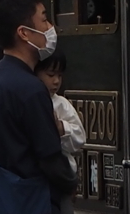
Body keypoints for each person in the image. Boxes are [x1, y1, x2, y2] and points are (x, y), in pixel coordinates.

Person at [0, 0, 76, 214]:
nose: (50, 28)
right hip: (30, 202)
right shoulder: (31, 88)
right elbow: (50, 158)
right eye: (44, 20)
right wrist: (71, 183)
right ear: (24, 33)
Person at [34, 52, 84, 214]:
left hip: (60, 178)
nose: (56, 81)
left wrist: (62, 128)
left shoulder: (61, 104)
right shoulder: (26, 98)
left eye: (59, 75)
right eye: (50, 75)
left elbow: (79, 138)